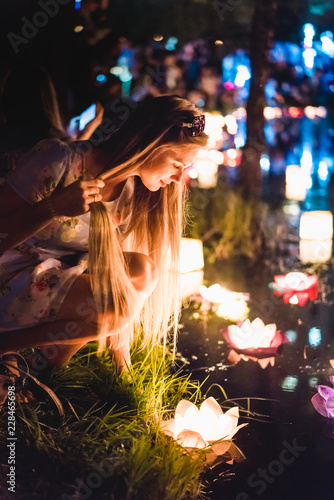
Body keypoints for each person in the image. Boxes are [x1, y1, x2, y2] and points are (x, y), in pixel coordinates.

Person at [0, 95, 208, 376]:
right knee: (115, 310)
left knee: (144, 270)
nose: (178, 178)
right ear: (151, 143)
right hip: (12, 273)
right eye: (176, 164)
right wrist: (53, 207)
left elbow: (119, 278)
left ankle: (45, 366)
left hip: (56, 277)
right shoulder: (60, 159)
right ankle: (7, 346)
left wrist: (123, 372)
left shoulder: (129, 193)